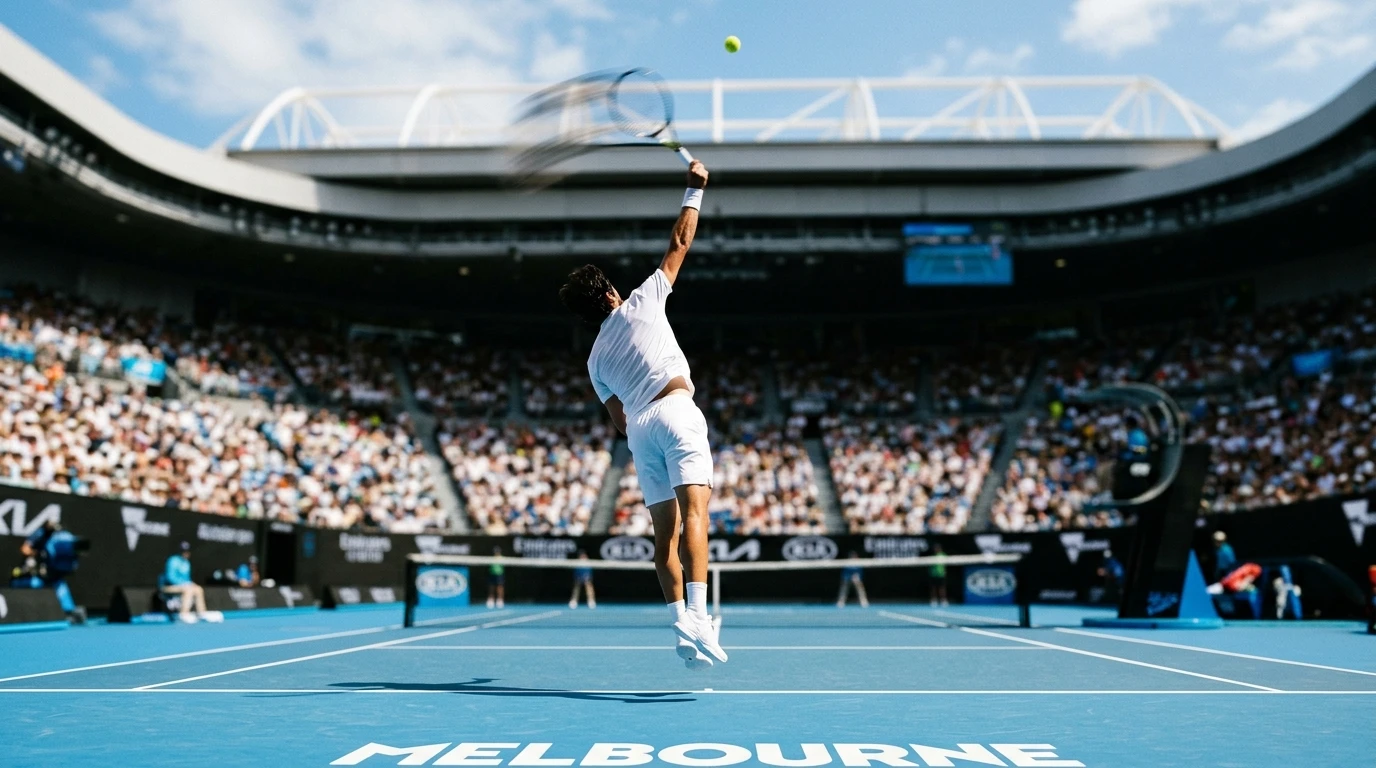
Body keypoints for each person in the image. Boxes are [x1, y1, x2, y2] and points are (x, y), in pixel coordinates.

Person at [559, 160, 725, 669]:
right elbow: (679, 243)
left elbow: (620, 423)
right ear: (609, 293)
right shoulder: (643, 299)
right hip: (676, 412)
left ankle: (678, 623)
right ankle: (697, 613)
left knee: (664, 535)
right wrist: (694, 189)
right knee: (697, 516)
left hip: (641, 431)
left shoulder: (593, 361)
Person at [161, 541, 221, 624]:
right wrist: (185, 584)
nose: (186, 553)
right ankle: (183, 614)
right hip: (167, 587)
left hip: (182, 586)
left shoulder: (186, 563)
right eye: (183, 551)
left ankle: (202, 613)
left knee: (198, 589)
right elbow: (170, 577)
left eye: (187, 551)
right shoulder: (173, 560)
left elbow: (187, 579)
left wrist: (190, 583)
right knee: (188, 590)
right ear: (180, 551)